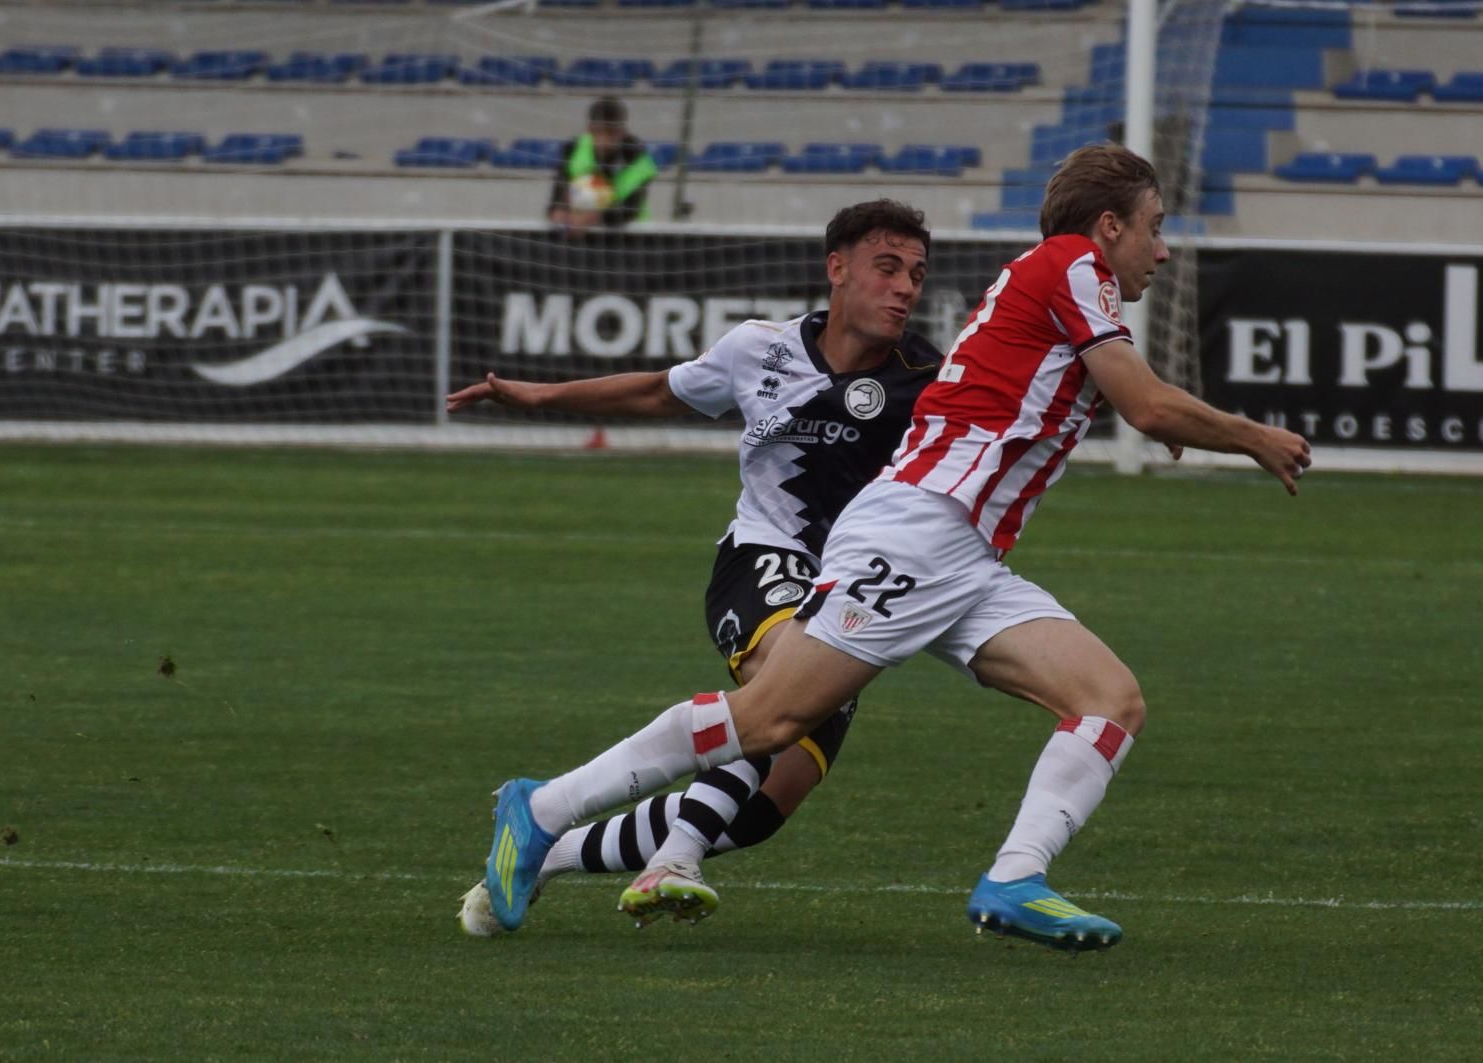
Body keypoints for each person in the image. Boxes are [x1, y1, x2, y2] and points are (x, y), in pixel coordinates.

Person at [479, 143, 1314, 951]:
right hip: (919, 530)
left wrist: (1168, 417)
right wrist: (1249, 436)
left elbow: (1107, 395)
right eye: (1154, 227)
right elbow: (1146, 404)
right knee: (773, 715)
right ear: (1106, 226)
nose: (1162, 251)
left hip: (966, 553)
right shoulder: (1071, 265)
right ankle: (544, 806)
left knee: (1110, 699)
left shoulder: (1060, 284)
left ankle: (1015, 877)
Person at [448, 199, 940, 935]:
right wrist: (539, 395)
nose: (906, 287)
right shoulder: (758, 349)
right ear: (837, 269)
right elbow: (657, 389)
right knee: (779, 704)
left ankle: (546, 851)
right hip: (760, 560)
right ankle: (667, 857)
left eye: (918, 274)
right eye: (888, 268)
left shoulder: (929, 377)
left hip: (851, 590)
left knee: (764, 810)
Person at [547, 97, 657, 235]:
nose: (605, 140)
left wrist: (593, 216)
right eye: (598, 132)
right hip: (580, 235)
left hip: (629, 237)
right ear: (589, 129)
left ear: (623, 131)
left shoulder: (639, 159)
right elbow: (557, 196)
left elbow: (630, 209)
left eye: (611, 133)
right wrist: (558, 210)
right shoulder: (573, 148)